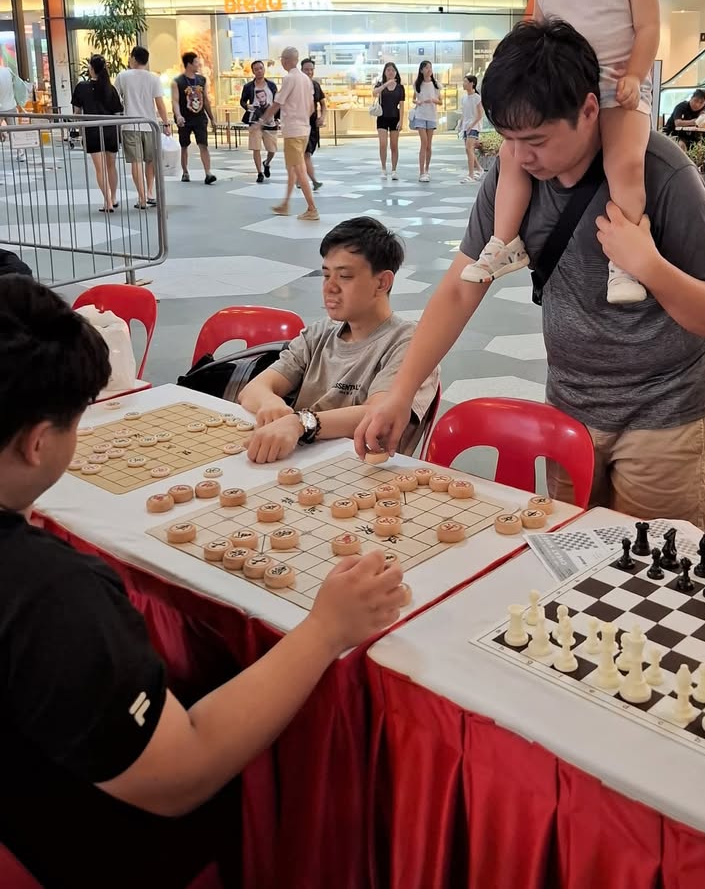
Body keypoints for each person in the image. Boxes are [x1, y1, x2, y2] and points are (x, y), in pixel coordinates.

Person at [0, 273, 405, 889]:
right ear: (36, 444)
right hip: (83, 847)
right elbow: (179, 777)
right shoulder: (52, 595)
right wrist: (325, 630)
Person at [354, 20, 705, 534]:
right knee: (575, 570)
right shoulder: (513, 175)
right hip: (570, 414)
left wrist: (647, 264)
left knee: (654, 581)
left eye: (535, 139)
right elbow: (458, 289)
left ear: (588, 110)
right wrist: (400, 393)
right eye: (508, 139)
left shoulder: (658, 172)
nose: (519, 156)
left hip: (663, 418)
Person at [462, 0, 677, 304]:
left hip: (616, 93)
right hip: (556, 101)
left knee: (625, 164)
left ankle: (626, 262)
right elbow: (530, 30)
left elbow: (647, 30)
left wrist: (635, 76)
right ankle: (504, 241)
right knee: (514, 158)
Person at [239, 217, 439, 463]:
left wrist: (300, 423)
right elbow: (252, 390)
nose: (329, 287)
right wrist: (269, 401)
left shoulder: (411, 343)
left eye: (344, 276)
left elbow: (378, 415)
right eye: (325, 275)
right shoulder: (319, 333)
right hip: (297, 462)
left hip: (364, 472)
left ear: (382, 282)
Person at [114, 46, 170, 210]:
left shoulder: (122, 76)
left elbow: (115, 98)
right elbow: (160, 103)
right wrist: (166, 123)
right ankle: (150, 191)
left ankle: (142, 196)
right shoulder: (154, 78)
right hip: (150, 124)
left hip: (130, 124)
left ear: (132, 58)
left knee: (136, 162)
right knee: (150, 160)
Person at [271, 47, 319, 221]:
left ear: (287, 60)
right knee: (292, 168)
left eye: (283, 60)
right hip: (303, 129)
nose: (282, 63)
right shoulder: (306, 80)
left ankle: (312, 208)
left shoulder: (289, 78)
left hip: (293, 131)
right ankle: (285, 204)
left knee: (298, 169)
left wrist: (262, 120)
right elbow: (312, 107)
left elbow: (277, 103)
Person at [71, 55, 122, 213]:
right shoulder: (110, 88)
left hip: (92, 130)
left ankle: (106, 201)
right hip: (111, 130)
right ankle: (113, 198)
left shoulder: (82, 87)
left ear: (91, 69)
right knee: (111, 166)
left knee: (100, 169)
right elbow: (118, 111)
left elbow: (77, 112)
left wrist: (78, 129)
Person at [172, 52, 216, 185]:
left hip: (199, 117)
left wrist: (212, 117)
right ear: (189, 64)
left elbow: (206, 100)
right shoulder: (177, 82)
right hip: (185, 118)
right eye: (196, 62)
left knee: (203, 144)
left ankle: (208, 173)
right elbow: (175, 101)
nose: (199, 65)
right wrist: (178, 115)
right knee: (184, 145)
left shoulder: (202, 80)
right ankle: (185, 172)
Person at [239, 59, 278, 184]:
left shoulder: (271, 86)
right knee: (256, 148)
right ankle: (259, 172)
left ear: (264, 69)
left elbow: (277, 103)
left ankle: (267, 163)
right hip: (254, 121)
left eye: (261, 68)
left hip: (270, 121)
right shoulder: (248, 86)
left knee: (272, 150)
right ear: (253, 71)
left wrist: (278, 118)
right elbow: (242, 101)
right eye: (256, 69)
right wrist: (247, 106)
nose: (259, 71)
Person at [372, 62, 405, 179]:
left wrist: (401, 121)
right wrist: (386, 84)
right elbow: (374, 93)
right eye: (388, 70)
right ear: (385, 72)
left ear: (396, 72)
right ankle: (383, 168)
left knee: (394, 145)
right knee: (382, 144)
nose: (391, 72)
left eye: (393, 70)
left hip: (394, 117)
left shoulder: (400, 87)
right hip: (382, 118)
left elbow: (401, 105)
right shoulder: (380, 84)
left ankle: (394, 170)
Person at [412, 59, 440, 182]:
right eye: (427, 68)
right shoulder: (417, 84)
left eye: (430, 67)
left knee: (429, 144)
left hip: (431, 116)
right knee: (423, 142)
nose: (429, 70)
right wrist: (417, 102)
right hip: (420, 115)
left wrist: (433, 100)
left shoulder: (436, 84)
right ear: (422, 70)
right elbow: (414, 98)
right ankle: (421, 171)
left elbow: (440, 101)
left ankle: (427, 169)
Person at [301, 57, 326, 193]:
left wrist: (322, 117)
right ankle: (313, 180)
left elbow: (323, 104)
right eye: (306, 69)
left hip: (312, 124)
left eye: (311, 69)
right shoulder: (297, 85)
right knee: (306, 154)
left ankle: (299, 177)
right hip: (299, 125)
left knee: (308, 152)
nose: (309, 72)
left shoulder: (315, 85)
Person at [458, 74, 484, 183]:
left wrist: (471, 125)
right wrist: (460, 124)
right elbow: (464, 113)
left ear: (471, 83)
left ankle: (471, 175)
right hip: (466, 126)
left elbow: (479, 115)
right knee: (468, 150)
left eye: (465, 82)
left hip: (474, 126)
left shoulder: (477, 98)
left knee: (469, 149)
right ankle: (479, 169)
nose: (463, 84)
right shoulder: (464, 98)